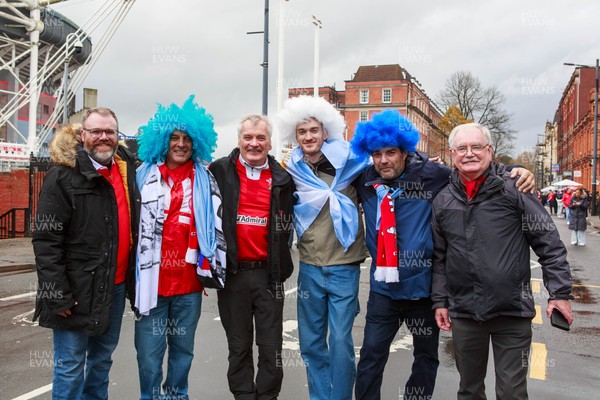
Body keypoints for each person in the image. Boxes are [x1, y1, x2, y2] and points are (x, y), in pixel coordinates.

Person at [349, 110, 535, 400]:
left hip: (423, 290)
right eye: (376, 154)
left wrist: (518, 169)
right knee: (371, 356)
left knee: (425, 357)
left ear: (405, 150)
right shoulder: (365, 181)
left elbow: (474, 171)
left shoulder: (433, 176)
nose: (383, 160)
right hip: (384, 290)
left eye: (390, 152)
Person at [432, 123, 573, 400]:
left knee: (511, 392)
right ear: (452, 154)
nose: (469, 153)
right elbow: (440, 257)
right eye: (462, 148)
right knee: (469, 390)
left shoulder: (515, 188)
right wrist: (440, 301)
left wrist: (560, 293)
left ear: (489, 151)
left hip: (512, 311)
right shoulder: (443, 200)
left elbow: (549, 243)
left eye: (476, 147)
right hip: (464, 312)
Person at [32, 108, 140, 400]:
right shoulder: (62, 176)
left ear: (118, 136)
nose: (103, 138)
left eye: (110, 132)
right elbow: (46, 240)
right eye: (96, 132)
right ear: (83, 135)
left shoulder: (125, 170)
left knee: (101, 362)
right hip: (75, 291)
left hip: (114, 288)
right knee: (69, 366)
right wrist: (56, 294)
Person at [276, 96, 370, 400]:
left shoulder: (351, 163)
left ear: (325, 132)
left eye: (314, 130)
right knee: (312, 343)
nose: (308, 137)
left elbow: (389, 168)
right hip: (310, 269)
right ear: (296, 135)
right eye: (302, 132)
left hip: (344, 266)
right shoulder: (293, 170)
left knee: (341, 341)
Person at [133, 96, 225, 400]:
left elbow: (217, 225)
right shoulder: (142, 176)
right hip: (152, 284)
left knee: (182, 352)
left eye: (187, 138)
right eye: (175, 137)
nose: (181, 144)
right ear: (163, 140)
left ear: (196, 142)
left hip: (188, 284)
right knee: (148, 356)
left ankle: (176, 396)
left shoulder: (205, 178)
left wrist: (213, 266)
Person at [209, 115, 295, 400]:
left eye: (261, 138)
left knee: (271, 347)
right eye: (248, 137)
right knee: (239, 345)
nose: (254, 143)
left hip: (268, 274)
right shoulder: (220, 170)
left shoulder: (283, 177)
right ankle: (244, 395)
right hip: (233, 274)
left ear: (270, 142)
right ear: (239, 140)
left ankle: (268, 396)